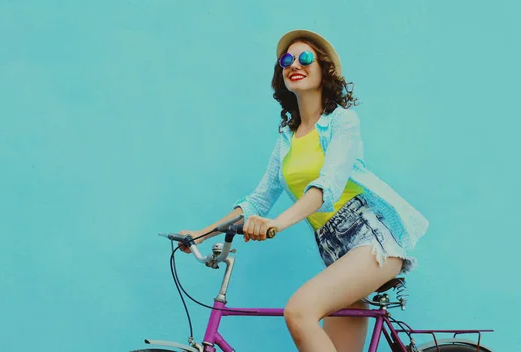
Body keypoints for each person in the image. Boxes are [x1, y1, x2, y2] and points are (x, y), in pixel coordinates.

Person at [180, 29, 429, 352]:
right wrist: (202, 234)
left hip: (370, 242)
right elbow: (258, 200)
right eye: (286, 60)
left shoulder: (343, 122)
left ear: (324, 70)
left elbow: (327, 186)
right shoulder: (287, 138)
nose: (293, 64)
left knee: (299, 312)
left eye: (305, 58)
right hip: (334, 251)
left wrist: (277, 224)